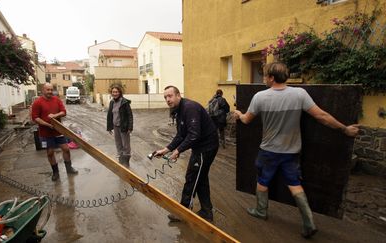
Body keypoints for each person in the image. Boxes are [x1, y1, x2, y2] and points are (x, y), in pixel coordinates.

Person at [233, 62, 359, 238]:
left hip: (268, 151)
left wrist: (238, 114)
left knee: (262, 180)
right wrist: (345, 129)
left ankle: (261, 211)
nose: (264, 78)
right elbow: (322, 116)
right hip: (292, 151)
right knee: (294, 183)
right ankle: (308, 222)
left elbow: (246, 120)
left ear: (271, 77)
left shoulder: (260, 97)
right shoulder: (300, 94)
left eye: (265, 76)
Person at [154, 86, 219, 222]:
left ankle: (183, 212)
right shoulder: (178, 110)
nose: (167, 99)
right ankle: (207, 212)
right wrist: (166, 149)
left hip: (206, 147)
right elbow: (181, 135)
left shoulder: (189, 108)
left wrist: (177, 151)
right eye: (165, 97)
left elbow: (194, 135)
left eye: (170, 96)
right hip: (201, 147)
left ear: (178, 95)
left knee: (192, 177)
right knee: (200, 178)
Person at [31, 83, 78, 181]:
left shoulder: (56, 100)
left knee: (66, 149)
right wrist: (47, 124)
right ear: (43, 90)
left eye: (51, 90)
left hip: (58, 130)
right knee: (50, 152)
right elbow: (35, 118)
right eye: (48, 90)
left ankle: (69, 169)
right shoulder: (37, 102)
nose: (50, 92)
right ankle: (55, 172)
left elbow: (64, 112)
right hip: (45, 132)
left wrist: (55, 116)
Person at [106, 84, 133, 167]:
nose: (115, 93)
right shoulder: (112, 102)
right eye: (113, 92)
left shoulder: (124, 102)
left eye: (116, 92)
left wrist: (130, 127)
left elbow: (129, 115)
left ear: (120, 92)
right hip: (115, 126)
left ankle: (126, 162)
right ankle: (121, 160)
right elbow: (110, 115)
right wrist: (109, 127)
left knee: (126, 145)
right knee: (118, 143)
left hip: (123, 126)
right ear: (111, 93)